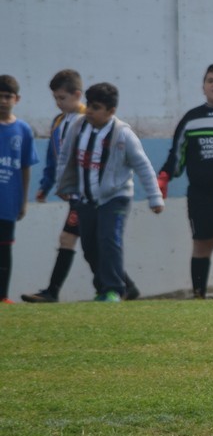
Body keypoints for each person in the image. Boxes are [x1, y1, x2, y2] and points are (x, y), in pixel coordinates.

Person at [22, 70, 140, 302]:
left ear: (77, 95)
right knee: (87, 243)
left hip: (88, 195)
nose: (58, 103)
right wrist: (47, 184)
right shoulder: (59, 122)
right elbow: (56, 157)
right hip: (76, 194)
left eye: (62, 98)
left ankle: (55, 291)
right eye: (55, 98)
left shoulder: (91, 119)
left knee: (72, 239)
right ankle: (124, 286)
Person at [55, 82, 164, 301]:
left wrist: (155, 197)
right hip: (85, 198)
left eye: (96, 108)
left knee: (108, 241)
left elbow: (143, 166)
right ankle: (105, 287)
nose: (89, 111)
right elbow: (65, 157)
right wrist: (63, 185)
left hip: (115, 198)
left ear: (111, 111)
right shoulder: (78, 127)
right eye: (89, 105)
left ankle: (114, 289)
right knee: (89, 247)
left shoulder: (123, 134)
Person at [158, 64, 213, 298]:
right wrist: (164, 177)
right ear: (203, 87)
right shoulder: (191, 119)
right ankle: (199, 297)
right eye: (210, 80)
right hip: (201, 195)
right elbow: (177, 155)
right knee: (202, 244)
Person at [0, 75, 39, 304]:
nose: (3, 101)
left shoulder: (23, 130)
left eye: (8, 96)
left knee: (4, 250)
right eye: (0, 96)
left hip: (8, 201)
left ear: (17, 99)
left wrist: (24, 201)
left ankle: (3, 296)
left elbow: (25, 167)